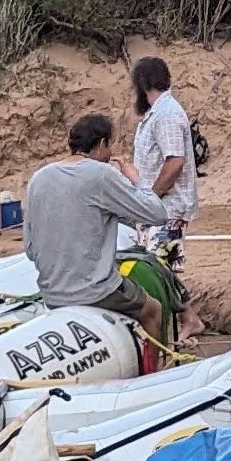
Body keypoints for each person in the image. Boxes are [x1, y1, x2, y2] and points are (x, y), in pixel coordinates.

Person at [21, 112, 173, 326]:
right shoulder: (102, 174)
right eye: (110, 146)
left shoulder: (39, 178)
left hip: (51, 295)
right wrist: (135, 178)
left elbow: (30, 249)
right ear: (101, 144)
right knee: (153, 311)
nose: (110, 154)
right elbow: (157, 214)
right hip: (95, 293)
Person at [126, 56, 196, 235]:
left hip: (167, 210)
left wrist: (151, 198)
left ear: (143, 85)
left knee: (159, 255)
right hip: (160, 210)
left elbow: (175, 162)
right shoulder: (159, 112)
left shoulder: (166, 114)